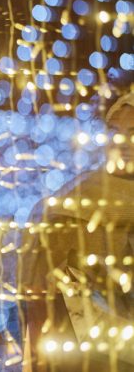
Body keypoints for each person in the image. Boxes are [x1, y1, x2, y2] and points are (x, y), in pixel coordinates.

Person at [17, 92, 134, 370]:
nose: (122, 143)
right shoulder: (75, 202)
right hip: (90, 352)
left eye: (133, 133)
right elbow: (41, 290)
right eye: (114, 132)